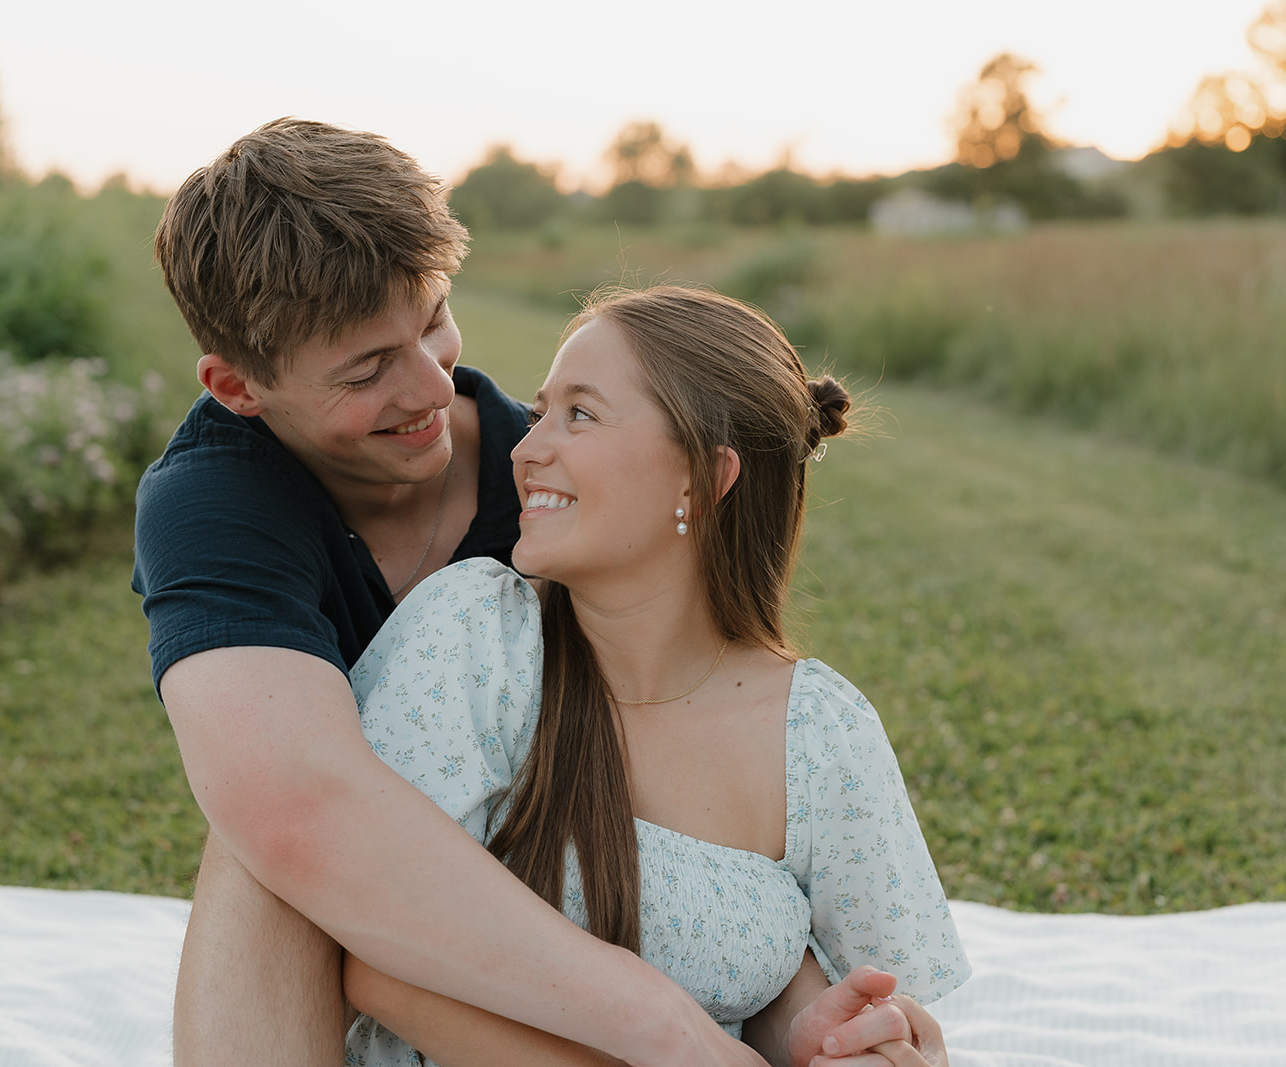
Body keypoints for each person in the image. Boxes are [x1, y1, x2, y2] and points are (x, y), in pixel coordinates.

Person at [134, 120, 893, 1066]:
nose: (428, 384)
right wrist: (662, 1028)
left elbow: (693, 804)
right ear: (238, 387)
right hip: (359, 930)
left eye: (434, 318)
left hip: (564, 888)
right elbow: (302, 813)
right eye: (367, 370)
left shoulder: (553, 494)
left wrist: (802, 1014)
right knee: (259, 825)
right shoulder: (215, 501)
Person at [339, 285, 972, 1066]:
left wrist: (843, 1043)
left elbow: (852, 1002)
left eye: (580, 414)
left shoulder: (819, 731)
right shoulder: (477, 635)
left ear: (704, 480)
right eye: (541, 413)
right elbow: (380, 966)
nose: (524, 448)